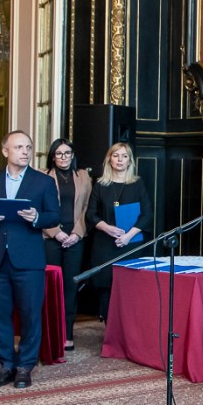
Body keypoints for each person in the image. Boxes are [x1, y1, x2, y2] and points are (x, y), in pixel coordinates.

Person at [0, 131, 60, 389]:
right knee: (0, 314)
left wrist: (37, 218)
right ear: (5, 151)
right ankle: (7, 365)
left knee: (31, 314)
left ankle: (25, 366)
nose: (25, 152)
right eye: (19, 147)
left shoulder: (43, 182)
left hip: (29, 260)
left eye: (28, 147)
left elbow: (55, 216)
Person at [85, 142, 153, 321]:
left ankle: (128, 331)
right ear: (109, 159)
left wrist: (128, 236)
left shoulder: (137, 183)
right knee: (106, 292)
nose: (120, 160)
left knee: (130, 291)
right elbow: (90, 214)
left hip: (130, 244)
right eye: (116, 156)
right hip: (105, 245)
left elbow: (147, 214)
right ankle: (109, 332)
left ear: (130, 160)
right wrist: (106, 227)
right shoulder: (100, 184)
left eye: (124, 156)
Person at [42, 138, 93, 350]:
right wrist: (56, 233)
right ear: (53, 156)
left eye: (67, 153)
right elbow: (39, 208)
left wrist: (77, 234)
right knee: (50, 286)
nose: (63, 157)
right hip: (50, 238)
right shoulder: (43, 176)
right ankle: (50, 333)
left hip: (75, 239)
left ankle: (67, 334)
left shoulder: (83, 176)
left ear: (73, 155)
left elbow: (88, 208)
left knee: (70, 287)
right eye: (59, 153)